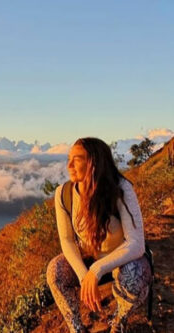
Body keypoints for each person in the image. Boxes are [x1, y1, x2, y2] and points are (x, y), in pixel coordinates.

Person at [46, 137, 152, 333]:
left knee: (135, 275)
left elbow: (136, 244)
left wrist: (97, 270)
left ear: (94, 162)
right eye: (69, 158)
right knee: (55, 271)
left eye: (76, 159)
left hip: (121, 261)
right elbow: (67, 240)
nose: (69, 165)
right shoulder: (64, 194)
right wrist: (84, 275)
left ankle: (118, 321)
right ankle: (77, 328)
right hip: (88, 257)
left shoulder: (121, 189)